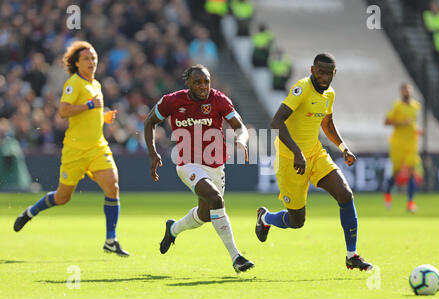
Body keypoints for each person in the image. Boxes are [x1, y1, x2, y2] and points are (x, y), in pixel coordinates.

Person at [255, 53, 373, 271]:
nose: (324, 76)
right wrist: (297, 152)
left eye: (329, 72)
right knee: (297, 221)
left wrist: (343, 148)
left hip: (316, 154)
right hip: (291, 159)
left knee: (345, 194)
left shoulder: (329, 94)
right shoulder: (301, 89)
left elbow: (327, 123)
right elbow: (276, 121)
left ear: (334, 73)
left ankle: (352, 255)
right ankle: (266, 218)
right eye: (320, 71)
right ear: (312, 70)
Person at [13, 41, 129, 257]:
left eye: (93, 58)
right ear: (76, 63)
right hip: (75, 151)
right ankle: (31, 212)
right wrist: (89, 106)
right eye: (86, 58)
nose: (91, 61)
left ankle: (110, 240)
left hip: (97, 148)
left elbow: (90, 116)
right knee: (62, 197)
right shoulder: (73, 83)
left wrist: (104, 117)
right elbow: (63, 111)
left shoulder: (96, 85)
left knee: (112, 186)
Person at [144, 64, 254, 273]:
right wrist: (152, 152)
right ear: (188, 84)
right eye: (198, 82)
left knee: (205, 215)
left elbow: (239, 126)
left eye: (206, 82)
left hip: (215, 165)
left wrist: (242, 139)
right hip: (187, 163)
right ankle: (236, 257)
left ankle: (173, 229)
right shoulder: (173, 101)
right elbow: (150, 122)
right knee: (216, 200)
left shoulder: (219, 99)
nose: (203, 86)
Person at [384, 83, 423, 213]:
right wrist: (402, 123)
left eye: (409, 90)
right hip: (398, 144)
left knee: (412, 172)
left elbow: (413, 124)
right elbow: (387, 122)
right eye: (405, 90)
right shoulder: (397, 106)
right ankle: (388, 195)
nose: (407, 92)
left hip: (411, 144)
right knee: (396, 173)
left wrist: (417, 131)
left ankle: (410, 203)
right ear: (401, 92)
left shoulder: (416, 106)